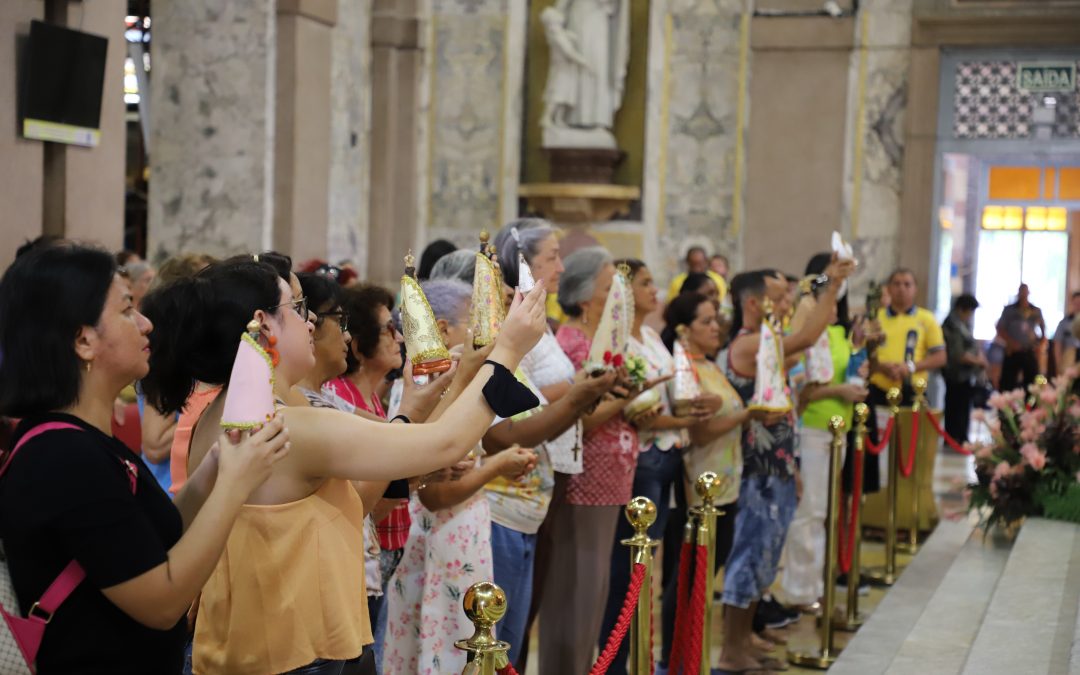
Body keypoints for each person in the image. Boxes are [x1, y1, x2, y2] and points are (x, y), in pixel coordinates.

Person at [140, 256, 548, 674]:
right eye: (297, 310)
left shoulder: (224, 412)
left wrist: (424, 404)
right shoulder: (285, 425)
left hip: (251, 650)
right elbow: (444, 444)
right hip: (295, 659)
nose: (312, 321)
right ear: (264, 325)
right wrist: (509, 350)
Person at [0, 244, 289, 674]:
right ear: (83, 340)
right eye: (127, 310)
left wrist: (212, 472)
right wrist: (234, 485)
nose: (146, 323)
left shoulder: (83, 441)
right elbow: (162, 600)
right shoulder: (61, 456)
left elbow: (149, 542)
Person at [715, 259, 853, 674]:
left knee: (764, 557)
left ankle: (744, 640)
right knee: (748, 557)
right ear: (754, 303)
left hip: (775, 462)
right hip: (754, 466)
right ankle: (730, 650)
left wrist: (790, 466)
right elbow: (810, 336)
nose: (789, 302)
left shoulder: (768, 341)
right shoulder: (748, 343)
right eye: (780, 297)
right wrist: (834, 282)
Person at [539, 246, 646, 675]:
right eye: (608, 288)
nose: (617, 296)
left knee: (595, 587)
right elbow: (576, 418)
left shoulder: (601, 339)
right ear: (585, 298)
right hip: (584, 478)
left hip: (608, 478)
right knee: (576, 586)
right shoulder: (573, 342)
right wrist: (627, 396)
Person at [598, 259, 703, 674]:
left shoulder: (651, 336)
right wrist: (686, 420)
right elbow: (641, 413)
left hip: (666, 455)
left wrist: (690, 407)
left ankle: (636, 655)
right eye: (645, 283)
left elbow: (669, 393)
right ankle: (614, 661)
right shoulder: (620, 339)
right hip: (642, 458)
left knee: (647, 565)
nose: (654, 290)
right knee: (628, 568)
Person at [657, 292, 761, 671]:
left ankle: (689, 653)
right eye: (706, 321)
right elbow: (699, 434)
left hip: (724, 483)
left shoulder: (709, 364)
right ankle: (674, 659)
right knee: (685, 579)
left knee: (702, 576)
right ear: (685, 329)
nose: (716, 327)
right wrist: (746, 414)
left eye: (716, 320)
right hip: (699, 484)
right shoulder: (686, 369)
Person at [779, 255, 868, 612]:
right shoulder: (807, 334)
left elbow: (848, 372)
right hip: (814, 426)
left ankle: (814, 583)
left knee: (825, 510)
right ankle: (799, 590)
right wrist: (839, 393)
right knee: (810, 510)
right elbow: (803, 388)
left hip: (839, 429)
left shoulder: (837, 333)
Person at [869, 268, 946, 406]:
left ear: (915, 289)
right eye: (896, 284)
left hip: (913, 391)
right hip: (879, 388)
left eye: (907, 284)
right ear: (888, 288)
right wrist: (881, 367)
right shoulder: (875, 318)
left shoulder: (926, 319)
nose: (901, 289)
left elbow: (940, 357)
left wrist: (910, 367)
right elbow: (862, 352)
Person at [942, 294, 987, 444]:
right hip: (956, 374)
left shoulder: (961, 324)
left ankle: (960, 436)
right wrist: (978, 361)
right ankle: (954, 437)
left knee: (962, 407)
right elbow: (958, 354)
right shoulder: (953, 325)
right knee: (955, 407)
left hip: (965, 375)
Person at [995, 283, 1046, 391]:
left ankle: (1031, 406)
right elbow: (1000, 328)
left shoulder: (1035, 311)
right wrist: (1011, 342)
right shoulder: (1009, 310)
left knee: (1032, 382)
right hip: (1013, 351)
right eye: (1021, 292)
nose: (1023, 294)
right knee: (1008, 382)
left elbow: (1043, 328)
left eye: (1025, 292)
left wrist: (1040, 343)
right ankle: (1006, 405)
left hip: (1029, 350)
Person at [1052, 291, 1080, 374]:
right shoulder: (1064, 323)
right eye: (1076, 303)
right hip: (1069, 358)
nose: (1078, 306)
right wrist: (1058, 365)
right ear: (1072, 303)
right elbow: (1057, 344)